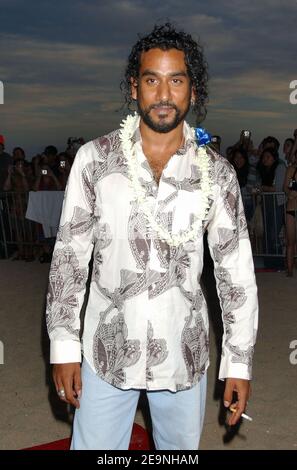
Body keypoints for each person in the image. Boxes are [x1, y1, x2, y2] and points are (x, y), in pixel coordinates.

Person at [46, 23, 258, 450]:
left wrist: (238, 362)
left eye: (176, 80)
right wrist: (63, 348)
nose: (164, 94)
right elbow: (70, 258)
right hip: (106, 352)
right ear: (134, 88)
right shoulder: (94, 161)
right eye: (151, 80)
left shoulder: (216, 174)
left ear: (192, 91)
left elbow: (235, 272)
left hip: (184, 354)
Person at [283, 130, 297, 276]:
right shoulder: (291, 169)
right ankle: (289, 269)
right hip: (291, 208)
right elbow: (285, 188)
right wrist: (289, 193)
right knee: (290, 240)